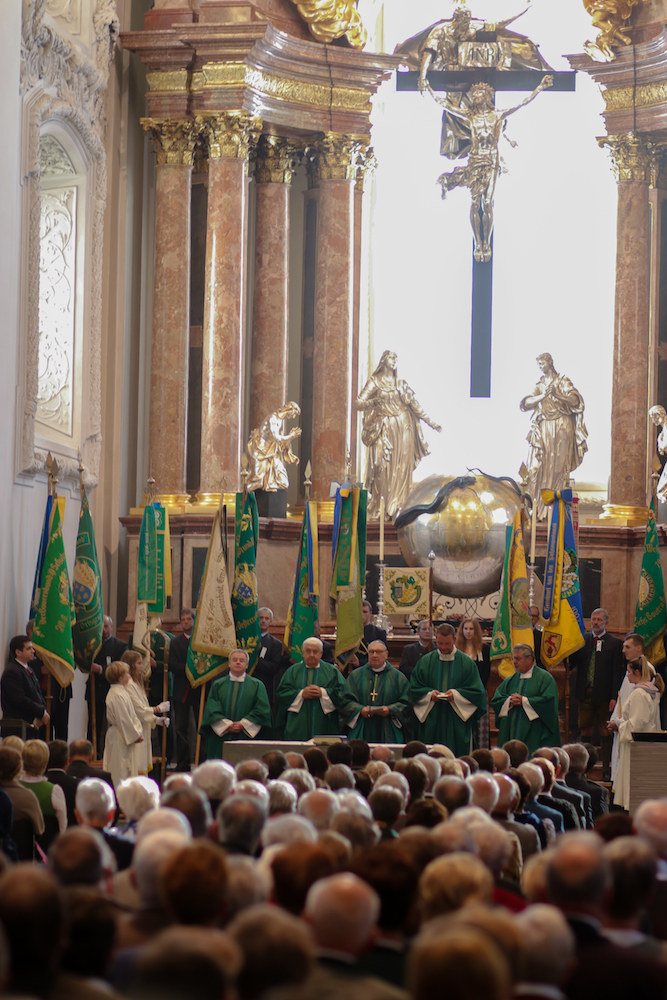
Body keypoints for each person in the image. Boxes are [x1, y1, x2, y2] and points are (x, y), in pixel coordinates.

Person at [353, 350, 441, 519]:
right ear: (383, 360)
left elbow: (415, 405)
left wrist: (431, 422)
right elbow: (358, 404)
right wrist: (373, 402)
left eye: (396, 359)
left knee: (401, 469)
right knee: (381, 468)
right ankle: (381, 507)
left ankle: (399, 506)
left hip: (403, 427)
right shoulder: (375, 382)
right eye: (391, 358)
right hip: (383, 429)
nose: (394, 361)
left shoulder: (400, 383)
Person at [520, 353, 588, 519]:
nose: (541, 367)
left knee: (558, 468)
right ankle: (538, 509)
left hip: (561, 427)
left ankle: (554, 511)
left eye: (542, 363)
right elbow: (525, 404)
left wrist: (557, 395)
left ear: (550, 363)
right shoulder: (540, 384)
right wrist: (543, 396)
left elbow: (575, 401)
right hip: (543, 427)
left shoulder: (562, 380)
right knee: (536, 469)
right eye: (539, 364)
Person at [409, 623, 486, 755]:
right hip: (432, 718)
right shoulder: (426, 661)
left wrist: (456, 695)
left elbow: (477, 692)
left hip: (456, 721)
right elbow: (414, 688)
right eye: (440, 643)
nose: (443, 647)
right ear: (435, 639)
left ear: (454, 640)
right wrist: (429, 695)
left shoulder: (466, 663)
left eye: (447, 644)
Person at [570, 608, 623, 780]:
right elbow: (573, 663)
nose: (596, 622)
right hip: (584, 692)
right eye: (594, 619)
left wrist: (615, 696)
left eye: (600, 620)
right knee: (585, 728)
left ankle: (606, 769)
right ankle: (584, 768)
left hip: (605, 694)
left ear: (606, 622)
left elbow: (617, 671)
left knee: (605, 729)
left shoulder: (614, 643)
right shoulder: (583, 639)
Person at [608, 657, 664, 810]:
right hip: (641, 743)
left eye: (629, 672)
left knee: (630, 785)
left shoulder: (639, 693)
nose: (627, 676)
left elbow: (637, 724)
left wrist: (619, 723)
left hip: (635, 745)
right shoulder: (650, 691)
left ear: (637, 672)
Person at [199, 649, 273, 758]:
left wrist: (243, 724)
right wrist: (227, 725)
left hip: (246, 735)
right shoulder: (217, 685)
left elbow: (262, 710)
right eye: (235, 660)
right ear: (229, 663)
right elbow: (211, 710)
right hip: (222, 736)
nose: (238, 662)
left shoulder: (257, 685)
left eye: (241, 660)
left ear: (247, 665)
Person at [277, 637, 353, 739]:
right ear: (303, 652)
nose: (311, 655)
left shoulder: (332, 671)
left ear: (321, 653)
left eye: (315, 651)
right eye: (308, 651)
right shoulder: (292, 671)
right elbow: (281, 694)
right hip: (298, 723)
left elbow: (344, 694)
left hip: (325, 722)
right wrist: (301, 694)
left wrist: (323, 693)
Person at [491, 644, 561, 755]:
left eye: (518, 659)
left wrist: (524, 701)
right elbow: (497, 700)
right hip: (512, 731)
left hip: (535, 731)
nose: (514, 662)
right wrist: (509, 700)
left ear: (529, 659)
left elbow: (549, 702)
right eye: (513, 658)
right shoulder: (511, 680)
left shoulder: (545, 678)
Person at [347, 641, 412, 744]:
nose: (374, 655)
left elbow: (407, 702)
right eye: (371, 652)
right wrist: (360, 709)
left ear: (386, 654)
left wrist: (390, 709)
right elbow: (345, 700)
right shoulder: (355, 676)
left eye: (378, 652)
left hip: (389, 727)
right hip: (362, 726)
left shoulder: (398, 677)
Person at [122, 650, 169, 776]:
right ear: (130, 665)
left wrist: (155, 719)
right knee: (135, 769)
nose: (142, 666)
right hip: (134, 731)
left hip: (142, 729)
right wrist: (158, 709)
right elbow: (139, 710)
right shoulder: (129, 685)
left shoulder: (137, 684)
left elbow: (143, 707)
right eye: (138, 663)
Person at [89, 616, 127, 757]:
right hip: (94, 690)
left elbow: (120, 669)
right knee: (93, 724)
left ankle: (111, 754)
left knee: (112, 724)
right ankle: (93, 754)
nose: (104, 630)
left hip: (111, 690)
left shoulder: (120, 646)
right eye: (101, 627)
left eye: (106, 626)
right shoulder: (92, 645)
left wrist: (100, 669)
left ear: (111, 627)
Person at [103, 660, 143, 788]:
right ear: (120, 677)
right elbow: (123, 719)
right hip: (120, 736)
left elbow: (132, 717)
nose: (129, 676)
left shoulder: (122, 692)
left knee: (127, 769)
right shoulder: (116, 695)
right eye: (127, 673)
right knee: (119, 771)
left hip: (125, 735)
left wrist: (137, 731)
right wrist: (135, 735)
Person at [1, 634, 49, 737]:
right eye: (29, 648)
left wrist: (43, 712)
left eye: (32, 648)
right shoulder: (12, 672)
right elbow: (20, 700)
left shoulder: (28, 669)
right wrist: (41, 712)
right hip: (17, 730)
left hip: (30, 727)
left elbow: (37, 694)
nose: (33, 651)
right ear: (18, 652)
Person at [169, 608, 198, 773]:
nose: (186, 622)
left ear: (194, 621)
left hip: (199, 689)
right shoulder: (175, 642)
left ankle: (202, 759)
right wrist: (189, 669)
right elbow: (172, 665)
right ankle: (183, 762)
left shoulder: (200, 641)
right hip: (182, 690)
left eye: (189, 619)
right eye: (183, 619)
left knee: (201, 726)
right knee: (180, 728)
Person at [456, 618, 491, 748]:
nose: (468, 632)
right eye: (466, 629)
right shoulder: (457, 649)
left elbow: (486, 671)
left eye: (471, 629)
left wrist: (477, 689)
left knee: (480, 724)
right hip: (462, 692)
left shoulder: (484, 649)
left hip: (479, 691)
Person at [255, 607, 283, 709]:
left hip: (264, 688)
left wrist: (255, 661)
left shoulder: (275, 643)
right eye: (260, 617)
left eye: (266, 618)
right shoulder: (247, 640)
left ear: (270, 622)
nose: (263, 621)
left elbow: (275, 667)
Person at [347, 601, 387, 671]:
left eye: (365, 612)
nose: (362, 614)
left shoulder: (379, 633)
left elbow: (382, 656)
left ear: (370, 614)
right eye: (359, 612)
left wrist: (360, 662)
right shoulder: (348, 632)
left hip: (371, 670)